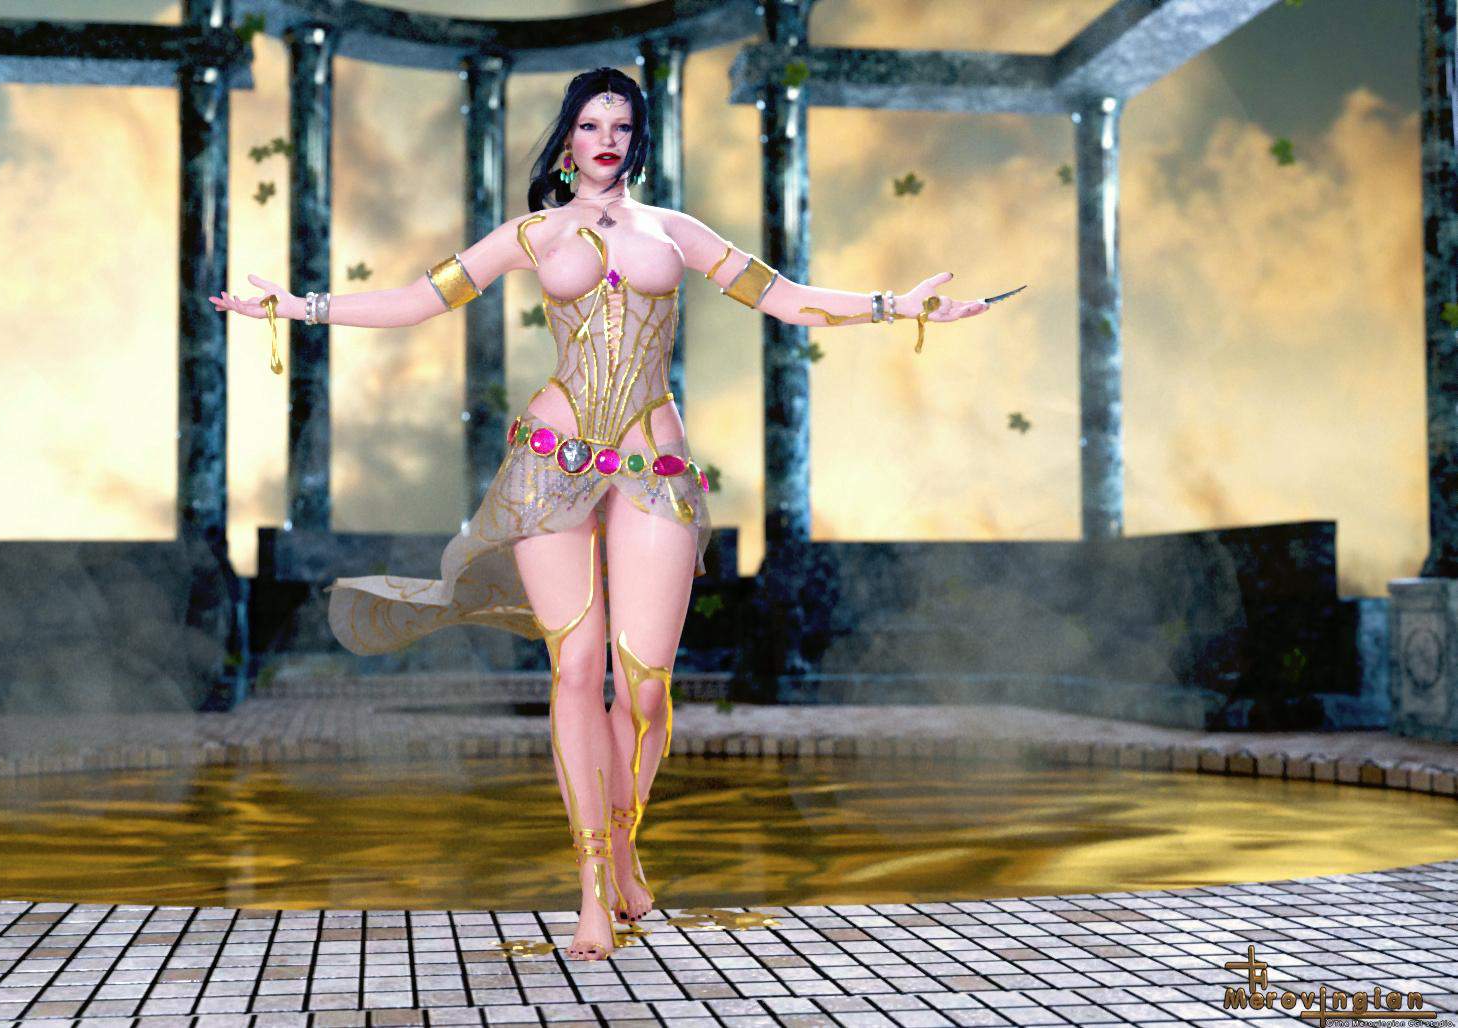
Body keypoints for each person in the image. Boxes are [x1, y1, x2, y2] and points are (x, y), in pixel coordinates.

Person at [211, 66, 992, 961]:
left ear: (638, 138)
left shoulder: (677, 231)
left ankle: (625, 843)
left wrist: (897, 306)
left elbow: (786, 299)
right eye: (590, 125)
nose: (606, 140)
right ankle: (591, 887)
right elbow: (417, 301)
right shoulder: (532, 234)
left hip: (655, 465)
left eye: (621, 126)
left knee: (648, 688)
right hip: (551, 463)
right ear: (568, 140)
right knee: (576, 670)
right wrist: (297, 306)